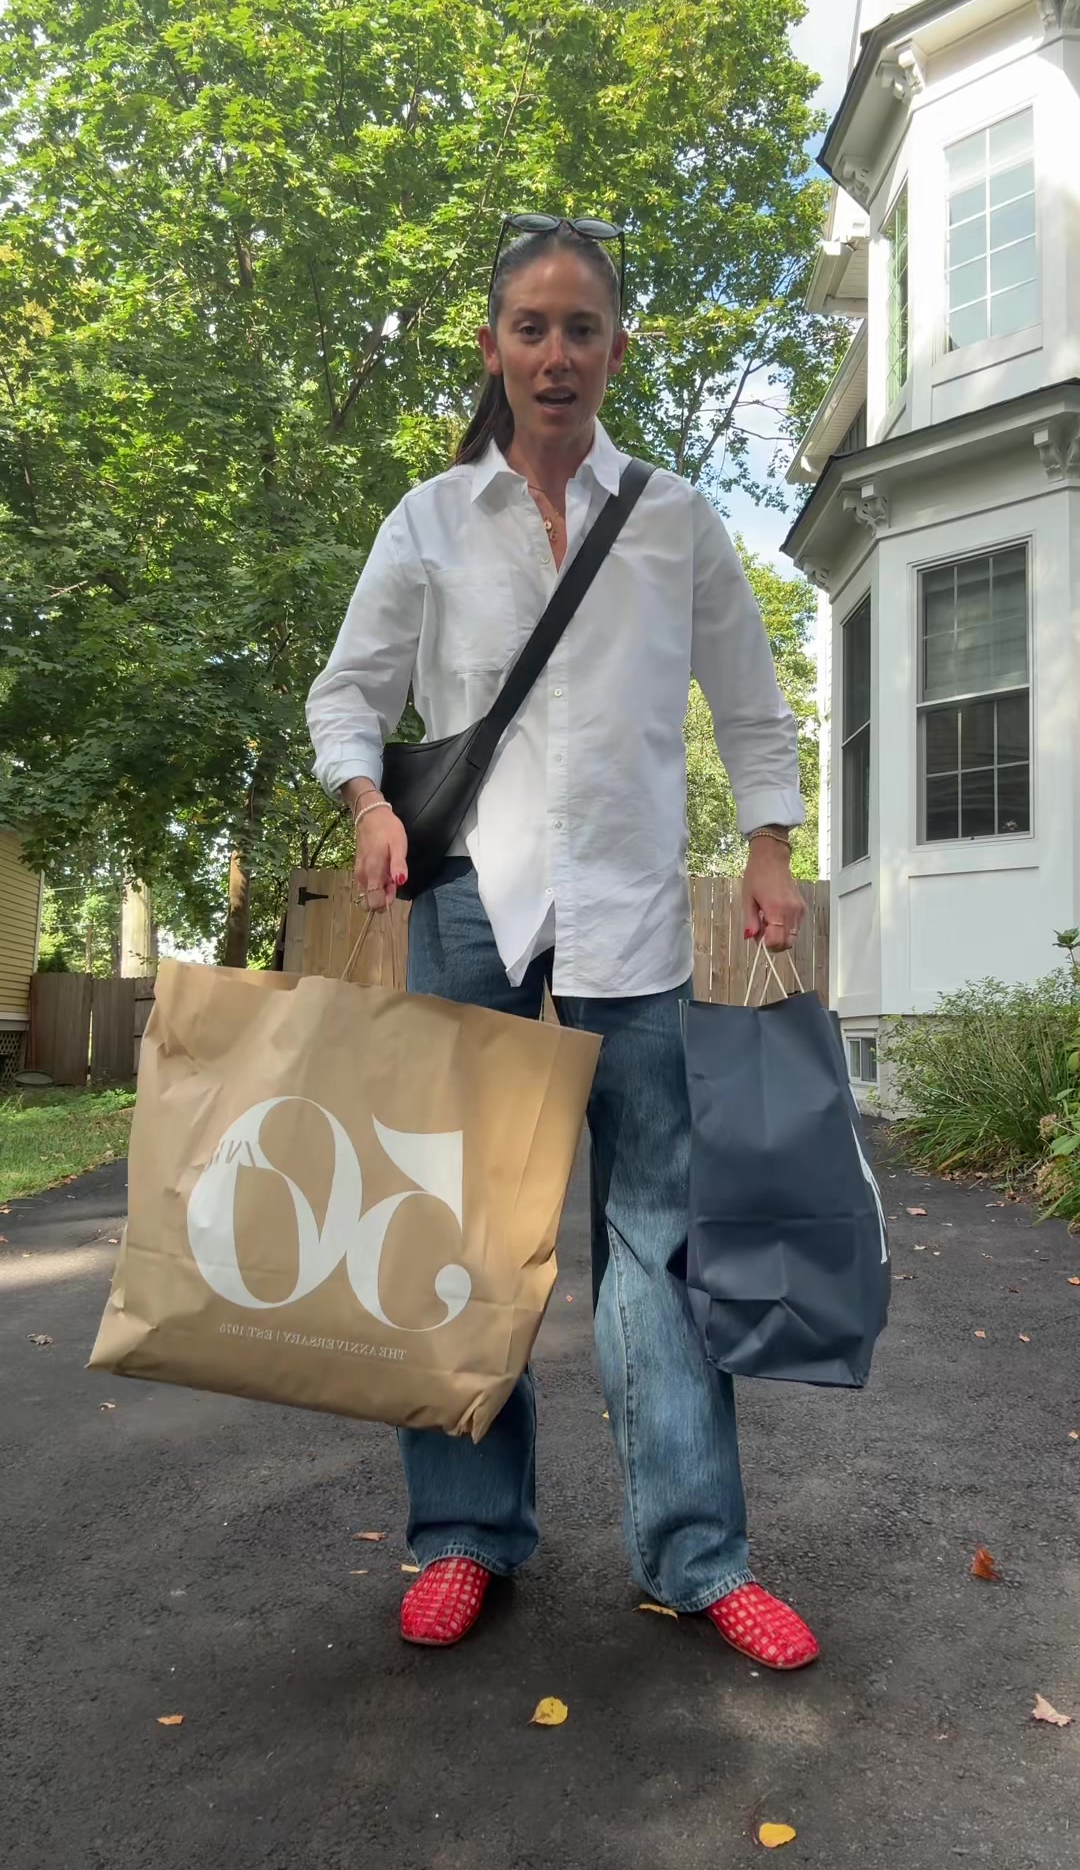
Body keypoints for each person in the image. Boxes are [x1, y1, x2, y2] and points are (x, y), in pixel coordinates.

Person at [306, 215, 819, 1669]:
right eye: (529, 328)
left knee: (658, 1242)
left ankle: (698, 1556)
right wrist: (368, 804)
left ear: (614, 349)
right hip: (471, 913)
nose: (554, 354)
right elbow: (350, 695)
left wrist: (770, 848)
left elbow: (751, 700)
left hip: (634, 925)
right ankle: (464, 1536)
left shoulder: (675, 520)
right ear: (494, 348)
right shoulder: (428, 521)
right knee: (455, 1236)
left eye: (580, 328)